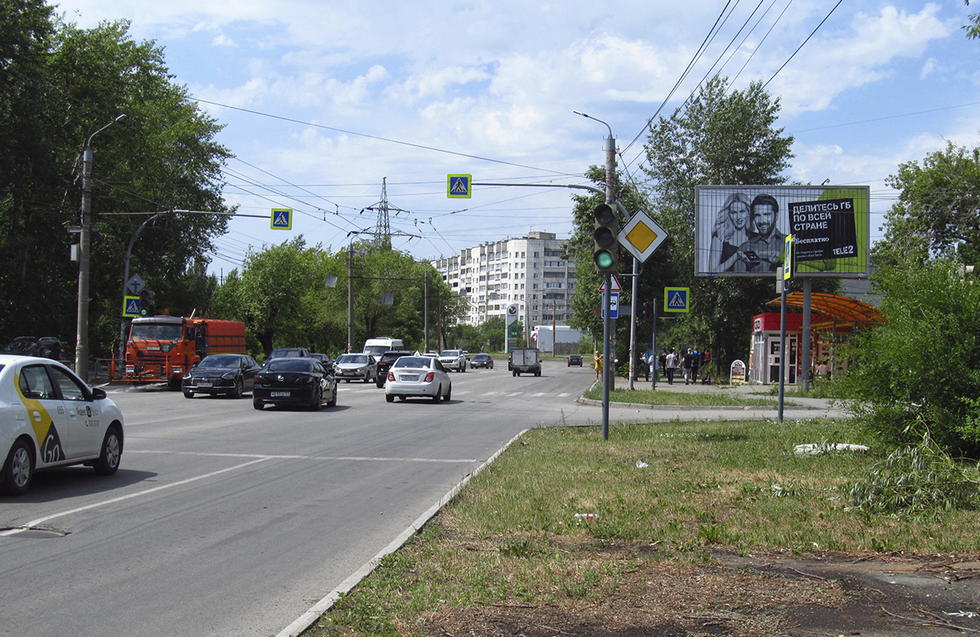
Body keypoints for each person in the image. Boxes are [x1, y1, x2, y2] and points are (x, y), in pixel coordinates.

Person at [739, 194, 786, 273]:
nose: (762, 221)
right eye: (757, 215)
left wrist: (783, 260)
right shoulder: (745, 247)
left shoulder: (789, 243)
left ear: (776, 215)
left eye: (766, 215)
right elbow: (739, 278)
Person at [710, 192, 752, 273]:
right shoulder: (720, 236)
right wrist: (736, 257)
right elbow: (712, 271)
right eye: (734, 213)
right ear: (728, 214)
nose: (738, 217)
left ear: (748, 213)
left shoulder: (755, 238)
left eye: (742, 211)